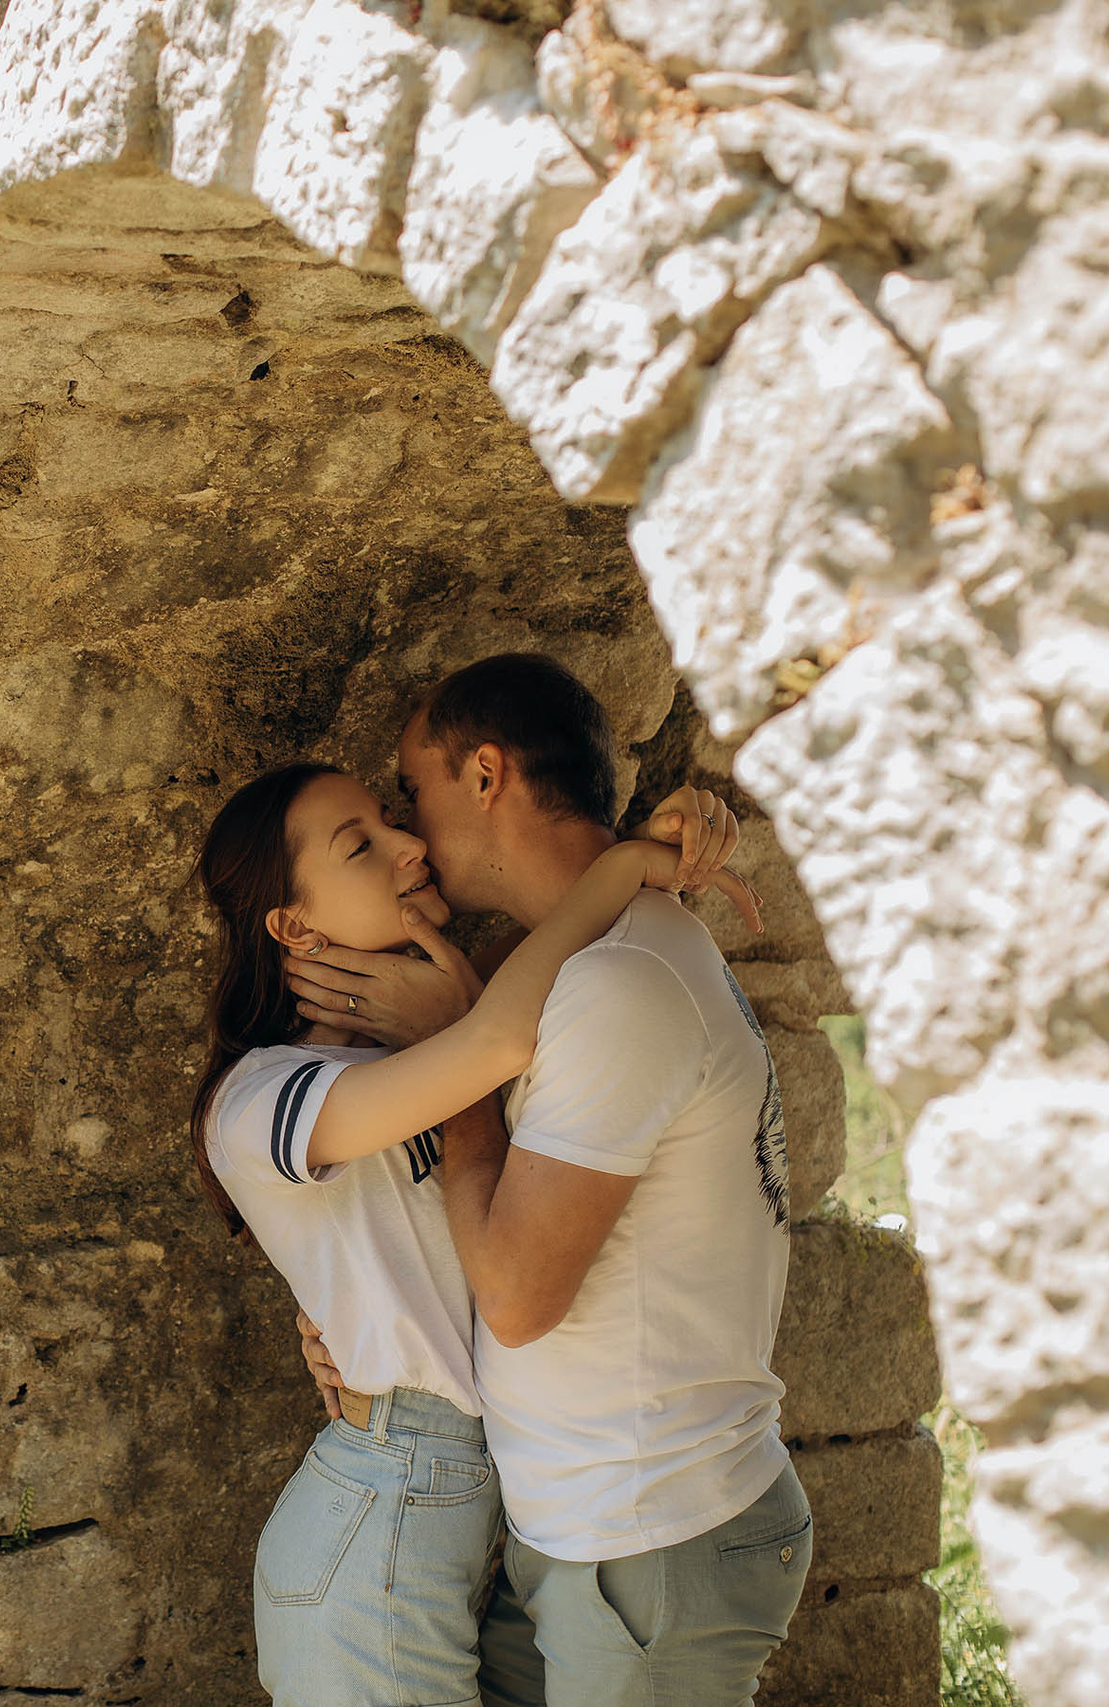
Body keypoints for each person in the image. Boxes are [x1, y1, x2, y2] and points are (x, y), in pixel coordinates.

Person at [289, 654, 813, 1707]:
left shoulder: (618, 985)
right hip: (601, 1535)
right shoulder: (604, 959)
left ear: (485, 775)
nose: (406, 829)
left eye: (413, 790)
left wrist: (457, 1070)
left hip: (647, 1543)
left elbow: (521, 1297)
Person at [191, 752, 757, 1707]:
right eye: (362, 846)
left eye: (392, 816)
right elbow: (496, 1037)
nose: (411, 843)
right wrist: (622, 866)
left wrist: (687, 824)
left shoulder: (432, 1024)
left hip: (495, 1507)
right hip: (385, 1514)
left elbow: (548, 959)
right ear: (293, 925)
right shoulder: (263, 1097)